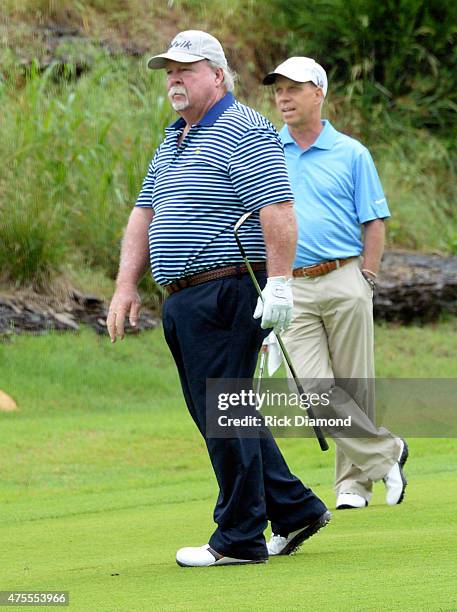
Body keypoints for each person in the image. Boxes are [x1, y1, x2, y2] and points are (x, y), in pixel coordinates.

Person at [107, 33, 330, 567]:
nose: (175, 80)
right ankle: (293, 506)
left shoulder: (243, 127)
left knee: (220, 409)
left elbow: (277, 206)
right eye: (169, 72)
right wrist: (124, 285)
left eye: (187, 69)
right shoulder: (174, 137)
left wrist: (280, 284)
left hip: (227, 289)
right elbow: (144, 213)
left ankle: (239, 537)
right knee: (226, 408)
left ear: (218, 75)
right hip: (184, 298)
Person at [261, 57, 408, 516]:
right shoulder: (266, 150)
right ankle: (388, 453)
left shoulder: (352, 153)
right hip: (292, 286)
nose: (283, 98)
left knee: (353, 386)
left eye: (294, 89)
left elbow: (374, 219)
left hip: (345, 275)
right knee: (312, 387)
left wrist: (368, 276)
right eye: (278, 90)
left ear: (318, 93)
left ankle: (352, 485)